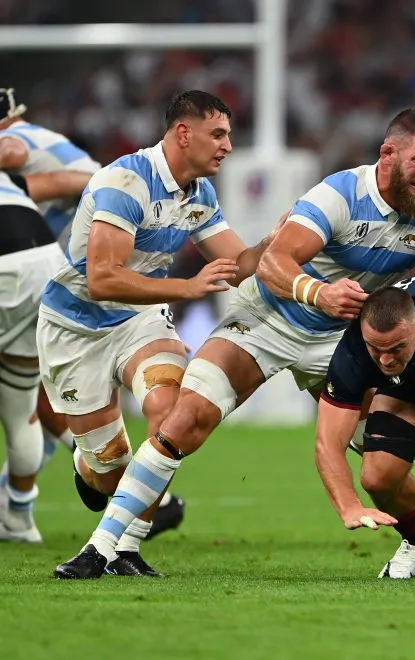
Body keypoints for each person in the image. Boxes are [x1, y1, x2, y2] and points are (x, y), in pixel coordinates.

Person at [51, 108, 415, 578]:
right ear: (388, 154)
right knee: (185, 419)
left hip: (342, 345)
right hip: (266, 321)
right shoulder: (338, 195)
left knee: (383, 465)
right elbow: (274, 263)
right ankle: (108, 547)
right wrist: (317, 292)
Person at [60, 270, 415, 580]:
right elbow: (327, 443)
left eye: (396, 349)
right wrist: (347, 505)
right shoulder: (355, 356)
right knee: (377, 476)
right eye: (378, 351)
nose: (385, 360)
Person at [40, 90, 276, 578]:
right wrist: (186, 287)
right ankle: (88, 467)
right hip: (74, 328)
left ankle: (125, 549)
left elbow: (237, 266)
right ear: (183, 133)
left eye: (229, 135)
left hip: (140, 320)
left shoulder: (200, 195)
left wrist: (279, 241)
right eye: (218, 134)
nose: (228, 146)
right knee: (108, 470)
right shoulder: (126, 182)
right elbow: (101, 277)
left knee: (169, 411)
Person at [0, 88, 184, 538]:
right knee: (26, 397)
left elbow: (13, 151)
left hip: (71, 267)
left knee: (34, 398)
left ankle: (72, 482)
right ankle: (23, 508)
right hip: (45, 257)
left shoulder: (19, 140)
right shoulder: (42, 154)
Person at [0, 167, 94, 542]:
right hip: (45, 261)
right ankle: (19, 518)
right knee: (21, 408)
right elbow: (54, 182)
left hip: (4, 263)